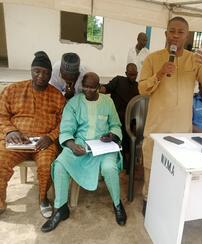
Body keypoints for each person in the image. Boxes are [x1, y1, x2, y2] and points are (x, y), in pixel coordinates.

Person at [138, 16, 202, 215]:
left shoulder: (195, 60)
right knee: (151, 166)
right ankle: (148, 198)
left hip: (181, 129)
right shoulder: (153, 58)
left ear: (186, 35)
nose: (175, 35)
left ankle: (171, 199)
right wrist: (159, 73)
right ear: (166, 34)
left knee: (177, 169)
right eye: (172, 31)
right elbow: (142, 89)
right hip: (157, 126)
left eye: (180, 32)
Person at [41, 72, 126, 233]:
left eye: (92, 88)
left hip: (103, 148)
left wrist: (112, 135)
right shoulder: (74, 103)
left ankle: (117, 204)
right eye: (84, 87)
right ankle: (60, 208)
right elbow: (66, 128)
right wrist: (72, 146)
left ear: (99, 87)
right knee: (60, 164)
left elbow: (115, 125)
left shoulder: (108, 102)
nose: (87, 90)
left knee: (109, 168)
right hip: (80, 146)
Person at [0, 51, 65, 218]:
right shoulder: (13, 90)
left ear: (51, 74)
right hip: (16, 140)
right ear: (31, 70)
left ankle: (43, 198)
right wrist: (10, 131)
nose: (41, 76)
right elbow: (2, 114)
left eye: (45, 72)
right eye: (37, 71)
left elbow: (64, 123)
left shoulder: (57, 96)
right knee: (1, 160)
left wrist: (50, 137)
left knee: (47, 165)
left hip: (43, 143)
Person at [100, 63, 139, 172]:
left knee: (131, 138)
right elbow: (105, 89)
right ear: (126, 73)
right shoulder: (118, 80)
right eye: (130, 74)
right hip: (115, 118)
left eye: (135, 75)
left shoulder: (138, 86)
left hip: (131, 120)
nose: (133, 77)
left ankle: (128, 165)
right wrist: (97, 89)